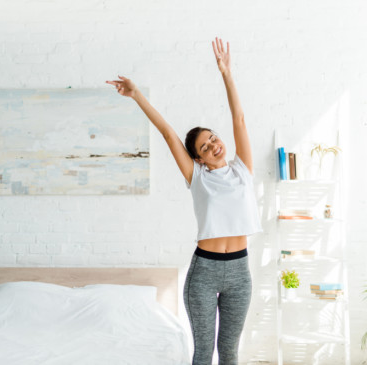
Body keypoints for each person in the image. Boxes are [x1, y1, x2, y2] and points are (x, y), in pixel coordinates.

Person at [106, 37, 262, 365]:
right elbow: (167, 133)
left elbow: (239, 120)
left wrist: (226, 74)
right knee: (204, 353)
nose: (213, 146)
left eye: (213, 139)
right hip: (204, 272)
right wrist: (136, 95)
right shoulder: (198, 178)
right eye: (204, 148)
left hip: (240, 272)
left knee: (230, 352)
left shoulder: (243, 170)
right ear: (199, 160)